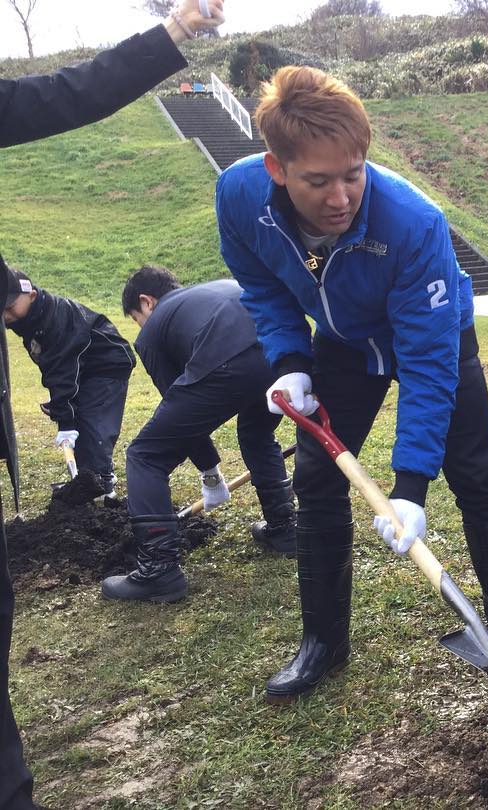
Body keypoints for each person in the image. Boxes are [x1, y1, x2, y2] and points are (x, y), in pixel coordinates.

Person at [215, 65, 488, 704]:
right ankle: (322, 642)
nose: (339, 197)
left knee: (474, 478)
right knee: (317, 479)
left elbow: (428, 365)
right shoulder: (240, 196)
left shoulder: (413, 223)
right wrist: (289, 360)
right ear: (276, 168)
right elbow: (263, 284)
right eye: (318, 181)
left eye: (353, 174)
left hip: (438, 337)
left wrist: (410, 486)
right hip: (344, 345)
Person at [0, 1, 225, 804]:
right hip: (119, 362)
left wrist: (171, 35)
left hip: (102, 365)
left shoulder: (58, 318)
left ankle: (143, 543)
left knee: (120, 447)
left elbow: (72, 91)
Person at [100, 267, 294, 603]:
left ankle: (159, 568)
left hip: (228, 359)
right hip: (279, 354)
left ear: (147, 302)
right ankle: (285, 528)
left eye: (136, 318)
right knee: (256, 432)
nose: (140, 327)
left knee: (145, 455)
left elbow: (180, 410)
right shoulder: (217, 289)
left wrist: (210, 473)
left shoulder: (156, 328)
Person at [2, 265, 134, 501]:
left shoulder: (56, 318)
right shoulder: (30, 322)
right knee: (79, 418)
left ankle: (102, 485)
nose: (5, 315)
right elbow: (53, 370)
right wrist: (63, 406)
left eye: (10, 306)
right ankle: (88, 478)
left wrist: (65, 419)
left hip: (107, 365)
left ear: (31, 295)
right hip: (83, 369)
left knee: (93, 424)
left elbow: (64, 369)